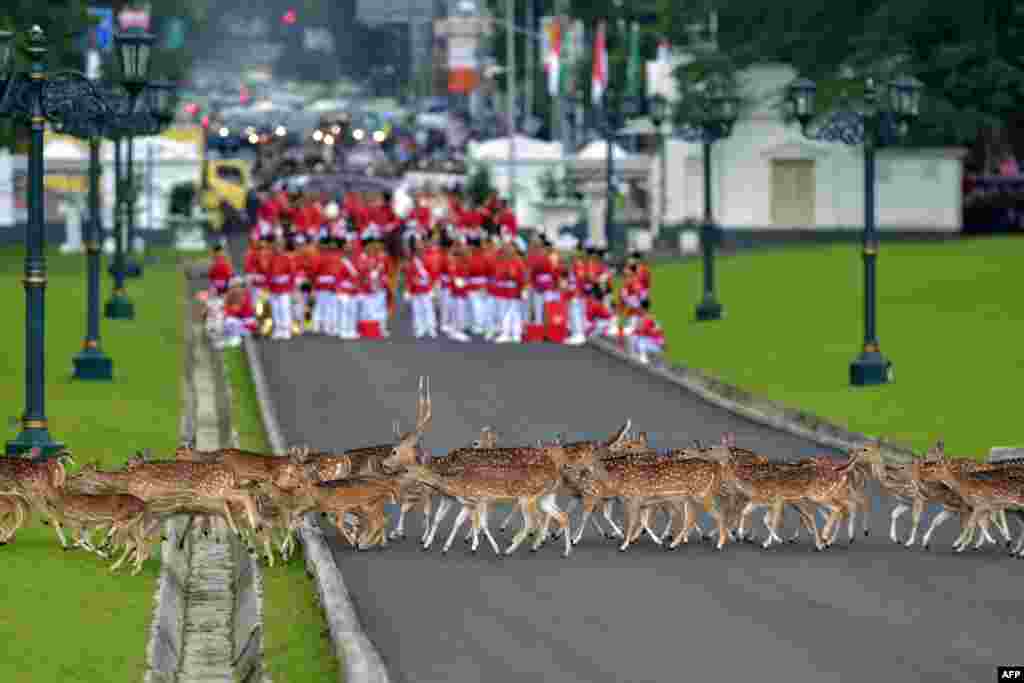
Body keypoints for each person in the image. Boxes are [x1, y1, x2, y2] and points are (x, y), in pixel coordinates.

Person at [404, 236, 438, 339]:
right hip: (415, 289)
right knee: (417, 309)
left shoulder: (429, 259)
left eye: (420, 245)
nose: (419, 248)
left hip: (426, 288)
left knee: (428, 309)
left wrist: (432, 288)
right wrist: (408, 290)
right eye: (417, 246)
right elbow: (409, 276)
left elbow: (433, 275)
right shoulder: (412, 261)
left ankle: (431, 328)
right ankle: (420, 328)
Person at [494, 241, 527, 343]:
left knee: (515, 312)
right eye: (507, 248)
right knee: (504, 312)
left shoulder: (518, 261)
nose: (508, 250)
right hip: (504, 289)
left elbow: (522, 277)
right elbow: (498, 275)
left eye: (511, 248)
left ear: (515, 249)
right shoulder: (502, 260)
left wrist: (523, 289)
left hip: (514, 289)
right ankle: (505, 333)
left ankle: (516, 334)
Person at [311, 236, 340, 335]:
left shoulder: (335, 256)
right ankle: (319, 326)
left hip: (329, 285)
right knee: (323, 306)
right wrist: (314, 286)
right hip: (322, 285)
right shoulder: (319, 256)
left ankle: (325, 327)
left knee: (328, 306)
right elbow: (314, 273)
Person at [267, 238, 295, 340]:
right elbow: (268, 274)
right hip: (274, 288)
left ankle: (286, 329)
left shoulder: (287, 259)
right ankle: (278, 329)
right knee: (275, 309)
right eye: (276, 246)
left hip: (284, 288)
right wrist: (269, 286)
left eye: (279, 246)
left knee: (284, 309)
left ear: (283, 247)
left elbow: (292, 274)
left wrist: (290, 287)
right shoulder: (271, 259)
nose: (277, 248)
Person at [335, 236, 360, 340]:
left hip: (354, 291)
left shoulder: (356, 261)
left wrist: (358, 288)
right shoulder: (341, 262)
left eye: (351, 248)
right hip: (344, 291)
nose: (350, 250)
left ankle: (352, 330)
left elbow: (359, 276)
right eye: (347, 248)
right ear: (344, 249)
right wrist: (338, 291)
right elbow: (337, 278)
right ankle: (344, 330)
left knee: (353, 311)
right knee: (344, 311)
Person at [446, 240, 471, 342]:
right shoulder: (454, 262)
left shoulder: (464, 262)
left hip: (461, 291)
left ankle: (455, 330)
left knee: (459, 311)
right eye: (463, 249)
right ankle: (457, 332)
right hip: (456, 291)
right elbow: (454, 277)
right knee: (458, 311)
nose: (465, 251)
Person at [222, 277, 257, 348]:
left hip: (247, 322)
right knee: (226, 321)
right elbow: (228, 308)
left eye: (236, 286)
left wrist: (226, 311)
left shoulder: (243, 294)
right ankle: (231, 337)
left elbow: (236, 309)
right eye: (232, 286)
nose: (233, 288)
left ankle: (236, 339)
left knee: (229, 321)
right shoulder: (231, 294)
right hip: (241, 321)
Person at [627, 300, 666, 364]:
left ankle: (643, 357)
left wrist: (661, 342)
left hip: (644, 342)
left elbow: (658, 331)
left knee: (640, 341)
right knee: (637, 339)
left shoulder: (649, 318)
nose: (639, 309)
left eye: (640, 308)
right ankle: (638, 356)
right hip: (640, 341)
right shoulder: (640, 317)